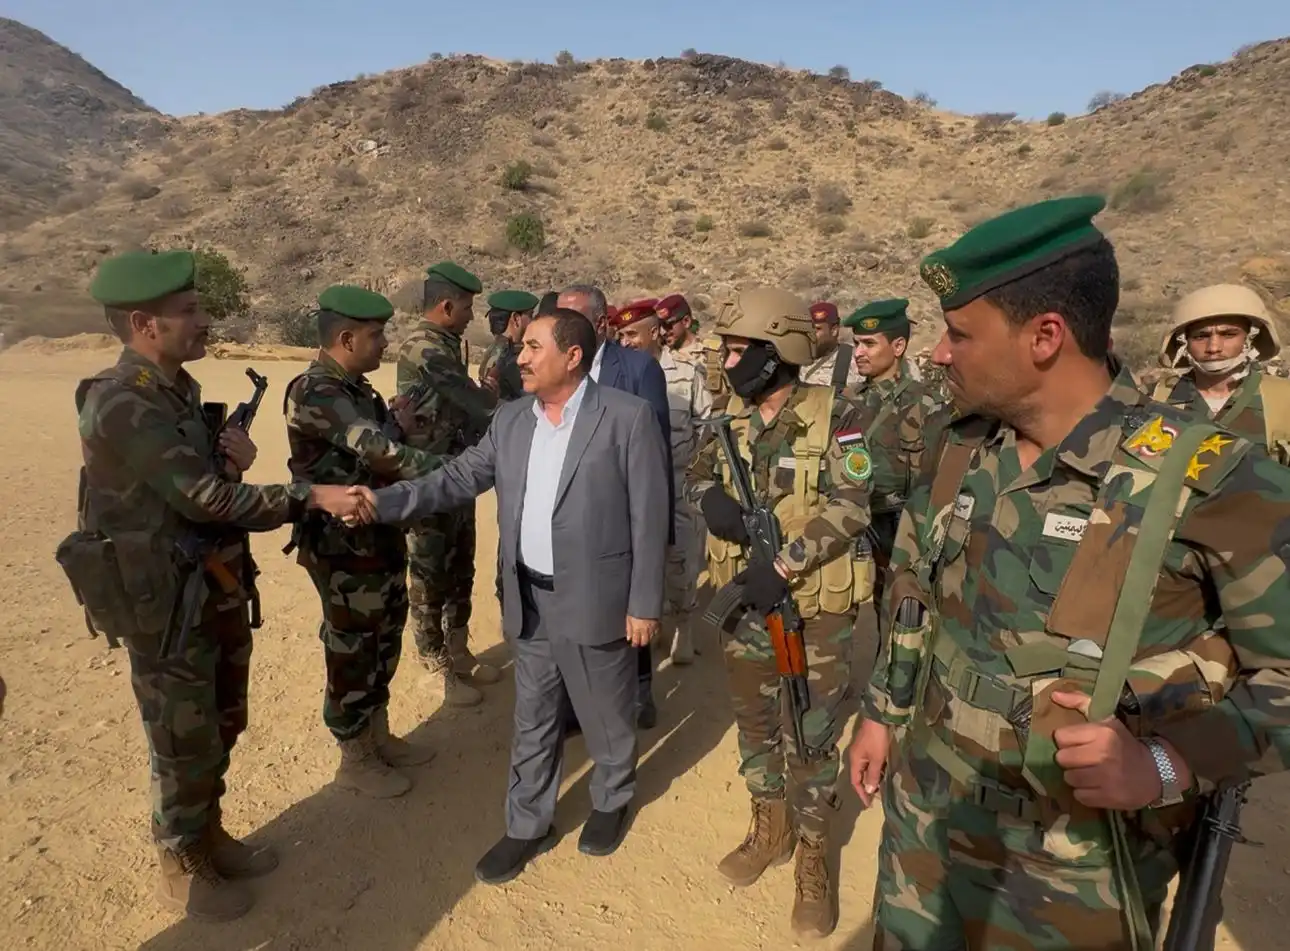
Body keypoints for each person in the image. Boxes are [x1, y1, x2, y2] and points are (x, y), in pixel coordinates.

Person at [849, 194, 1290, 950]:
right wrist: (883, 713)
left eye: (960, 333)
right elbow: (916, 591)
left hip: (1073, 873)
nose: (941, 353)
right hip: (927, 824)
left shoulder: (1212, 480)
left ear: (1045, 336)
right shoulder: (961, 444)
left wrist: (1166, 764)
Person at [335, 308, 670, 884]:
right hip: (530, 597)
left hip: (597, 597)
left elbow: (649, 514)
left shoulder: (625, 417)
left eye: (534, 347)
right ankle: (527, 823)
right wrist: (379, 502)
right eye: (523, 346)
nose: (521, 356)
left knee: (608, 713)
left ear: (572, 356)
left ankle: (612, 797)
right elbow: (456, 478)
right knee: (534, 718)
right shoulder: (512, 419)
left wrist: (643, 603)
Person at [54, 249, 332, 922]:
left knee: (222, 719)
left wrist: (235, 461)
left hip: (209, 584)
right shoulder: (121, 400)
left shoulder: (176, 390)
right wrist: (309, 495)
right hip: (163, 603)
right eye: (189, 311)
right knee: (182, 736)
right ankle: (180, 861)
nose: (205, 321)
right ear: (144, 324)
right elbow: (204, 499)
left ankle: (208, 834)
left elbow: (203, 488)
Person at [686, 286, 874, 939]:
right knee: (756, 722)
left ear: (776, 351)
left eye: (739, 348)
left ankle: (813, 857)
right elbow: (696, 475)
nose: (727, 359)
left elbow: (853, 503)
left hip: (812, 611)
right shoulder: (728, 420)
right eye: (726, 347)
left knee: (812, 735)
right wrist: (712, 500)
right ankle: (771, 827)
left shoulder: (838, 413)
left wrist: (786, 565)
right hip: (744, 606)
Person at [284, 284, 445, 798]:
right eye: (376, 335)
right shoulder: (317, 391)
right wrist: (457, 472)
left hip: (376, 534)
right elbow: (380, 453)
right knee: (353, 645)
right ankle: (354, 754)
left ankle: (377, 734)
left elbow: (379, 442)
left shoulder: (358, 391)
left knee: (385, 634)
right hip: (341, 546)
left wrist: (397, 424)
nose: (385, 343)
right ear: (347, 338)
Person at [558, 284, 673, 728]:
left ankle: (639, 692)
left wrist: (657, 532)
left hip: (622, 519)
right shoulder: (555, 368)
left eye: (574, 320)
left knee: (629, 614)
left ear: (601, 323)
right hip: (569, 520)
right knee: (574, 612)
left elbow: (655, 457)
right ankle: (575, 700)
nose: (563, 328)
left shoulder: (639, 368)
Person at [396, 261, 501, 707]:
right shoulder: (425, 348)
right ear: (445, 305)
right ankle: (434, 665)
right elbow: (472, 401)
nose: (471, 315)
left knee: (461, 566)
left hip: (455, 472)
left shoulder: (447, 344)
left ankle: (458, 650)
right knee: (428, 574)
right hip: (427, 478)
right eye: (466, 307)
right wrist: (496, 399)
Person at [615, 298, 714, 665]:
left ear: (655, 332)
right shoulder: (617, 375)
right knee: (638, 559)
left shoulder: (687, 375)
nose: (625, 342)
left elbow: (706, 426)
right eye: (621, 335)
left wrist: (693, 468)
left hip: (677, 486)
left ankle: (683, 627)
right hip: (631, 488)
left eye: (632, 334)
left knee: (681, 561)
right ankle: (648, 622)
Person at [840, 298, 950, 583]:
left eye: (869, 344)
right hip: (849, 524)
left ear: (898, 346)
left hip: (900, 531)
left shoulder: (927, 405)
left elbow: (941, 482)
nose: (859, 352)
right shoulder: (844, 402)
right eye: (856, 344)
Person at [1148, 283, 1290, 463]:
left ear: (1249, 338)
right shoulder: (1155, 399)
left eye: (1228, 334)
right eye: (1201, 336)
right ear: (1184, 343)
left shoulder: (1283, 398)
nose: (1213, 348)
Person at [478, 289, 536, 402]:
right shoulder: (507, 356)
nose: (533, 321)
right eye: (530, 315)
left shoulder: (496, 349)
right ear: (516, 319)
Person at [798, 301, 860, 390]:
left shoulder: (854, 362)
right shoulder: (795, 359)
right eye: (808, 329)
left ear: (834, 330)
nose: (810, 334)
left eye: (817, 329)